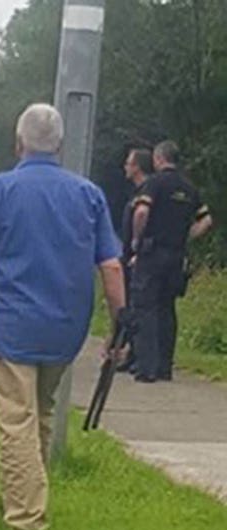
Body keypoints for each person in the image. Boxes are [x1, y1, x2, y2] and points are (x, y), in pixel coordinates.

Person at [0, 103, 125, 530]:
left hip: (13, 324)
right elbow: (110, 266)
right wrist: (117, 326)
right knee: (42, 410)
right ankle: (23, 496)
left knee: (16, 418)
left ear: (19, 143)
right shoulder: (88, 194)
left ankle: (25, 519)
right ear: (59, 145)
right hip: (66, 328)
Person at [130, 140, 212, 382]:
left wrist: (137, 239)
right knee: (167, 308)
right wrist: (185, 236)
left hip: (152, 252)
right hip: (176, 255)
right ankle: (165, 367)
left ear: (158, 158)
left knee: (146, 306)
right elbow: (206, 221)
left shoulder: (155, 183)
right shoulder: (189, 188)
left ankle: (147, 367)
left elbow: (142, 210)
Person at [117, 148, 153, 372]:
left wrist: (136, 246)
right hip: (132, 255)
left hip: (137, 256)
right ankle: (131, 351)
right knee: (131, 302)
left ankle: (139, 355)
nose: (125, 167)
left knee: (137, 304)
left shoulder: (147, 192)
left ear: (138, 166)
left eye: (129, 163)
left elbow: (143, 217)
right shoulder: (139, 191)